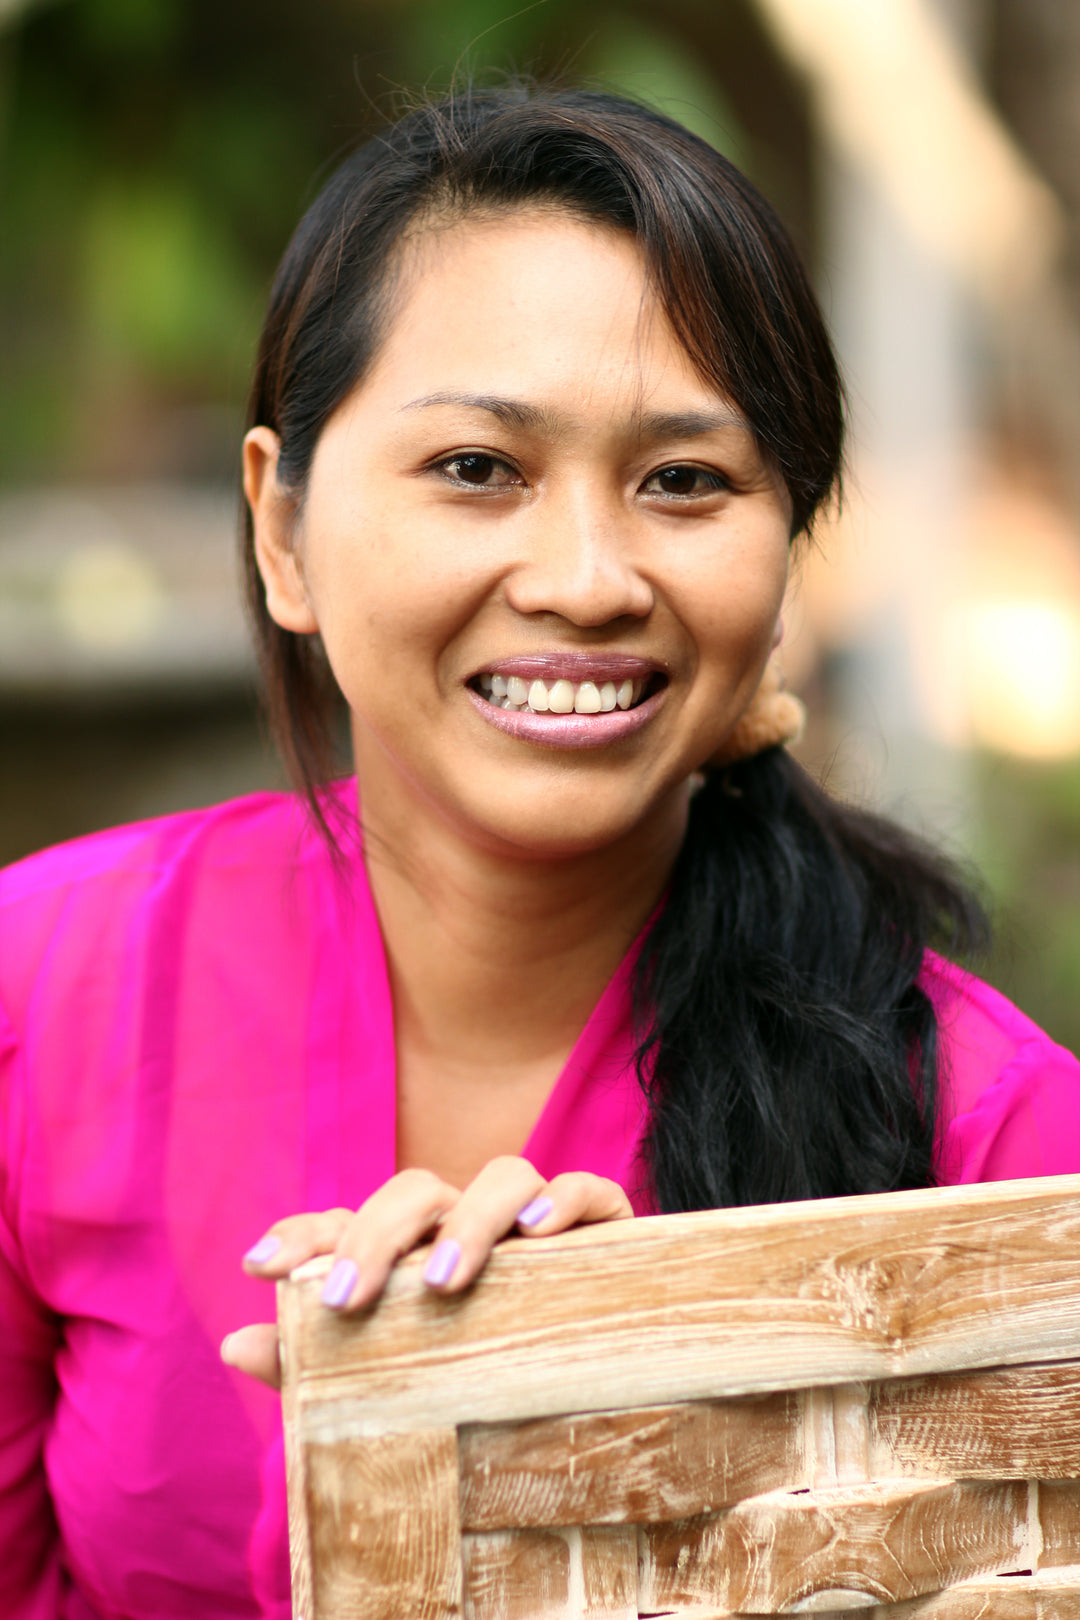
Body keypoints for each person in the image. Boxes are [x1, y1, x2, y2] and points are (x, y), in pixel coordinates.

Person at [1, 82, 1078, 1619]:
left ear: (785, 565)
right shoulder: (42, 1003)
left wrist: (663, 1475)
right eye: (479, 469)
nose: (585, 579)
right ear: (282, 529)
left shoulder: (993, 1145)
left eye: (686, 483)